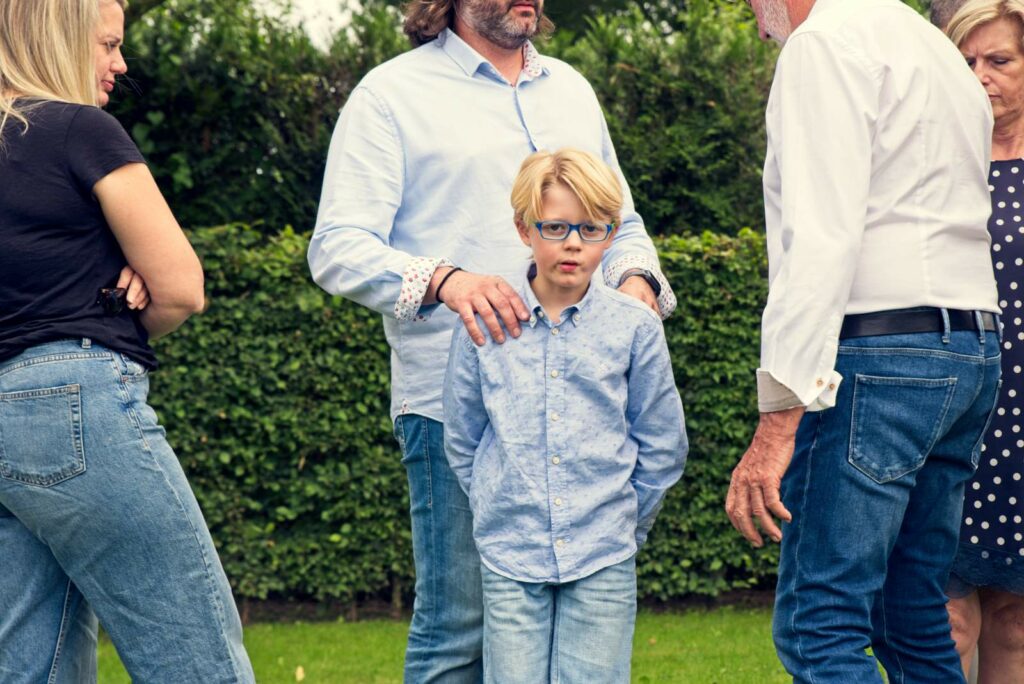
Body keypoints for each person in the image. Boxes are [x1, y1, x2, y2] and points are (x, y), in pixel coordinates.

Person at [307, 1, 676, 679]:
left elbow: (619, 223)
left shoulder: (572, 88)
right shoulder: (390, 94)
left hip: (587, 416)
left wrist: (638, 284)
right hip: (460, 413)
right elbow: (336, 248)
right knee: (459, 634)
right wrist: (446, 280)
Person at [727, 0, 1001, 681]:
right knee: (910, 614)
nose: (756, 20)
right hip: (969, 350)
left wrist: (778, 418)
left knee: (818, 624)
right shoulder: (933, 46)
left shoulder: (823, 44)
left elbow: (821, 237)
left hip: (880, 354)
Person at [0, 0, 254, 681]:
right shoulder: (78, 129)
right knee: (194, 656)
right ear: (58, 38)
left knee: (30, 666)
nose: (121, 63)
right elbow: (182, 287)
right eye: (108, 45)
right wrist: (118, 305)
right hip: (73, 405)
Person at [443, 147, 687, 683]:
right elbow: (463, 440)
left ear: (611, 232)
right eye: (555, 227)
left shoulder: (635, 329)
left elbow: (663, 443)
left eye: (591, 228)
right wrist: (496, 502)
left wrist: (625, 521)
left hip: (603, 553)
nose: (573, 243)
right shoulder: (483, 327)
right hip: (511, 554)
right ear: (524, 228)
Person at [944, 4, 1024, 681]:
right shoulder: (931, 162)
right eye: (966, 63)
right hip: (946, 410)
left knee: (1016, 619)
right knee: (945, 614)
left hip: (1023, 419)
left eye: (999, 60)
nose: (981, 77)